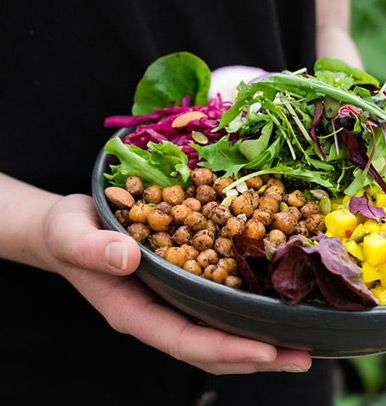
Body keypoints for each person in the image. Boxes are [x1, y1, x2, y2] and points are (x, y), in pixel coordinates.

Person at [0, 1, 362, 404]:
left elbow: (328, 21)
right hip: (54, 333)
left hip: (289, 317)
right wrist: (39, 226)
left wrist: (352, 104)